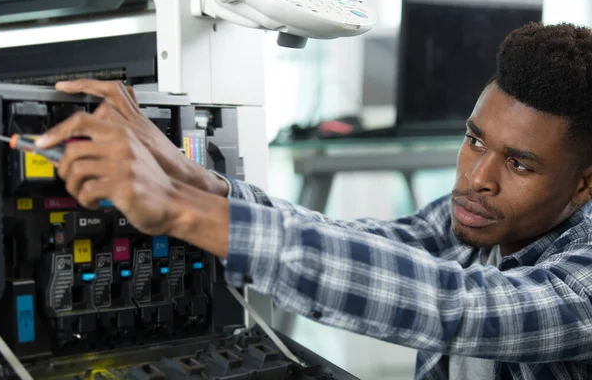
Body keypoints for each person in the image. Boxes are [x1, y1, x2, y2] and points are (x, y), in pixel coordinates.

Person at [33, 21, 592, 380]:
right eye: (474, 140)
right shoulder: (478, 216)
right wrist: (200, 181)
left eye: (519, 163)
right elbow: (373, 247)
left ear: (584, 184)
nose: (478, 177)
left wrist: (181, 210)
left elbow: (454, 305)